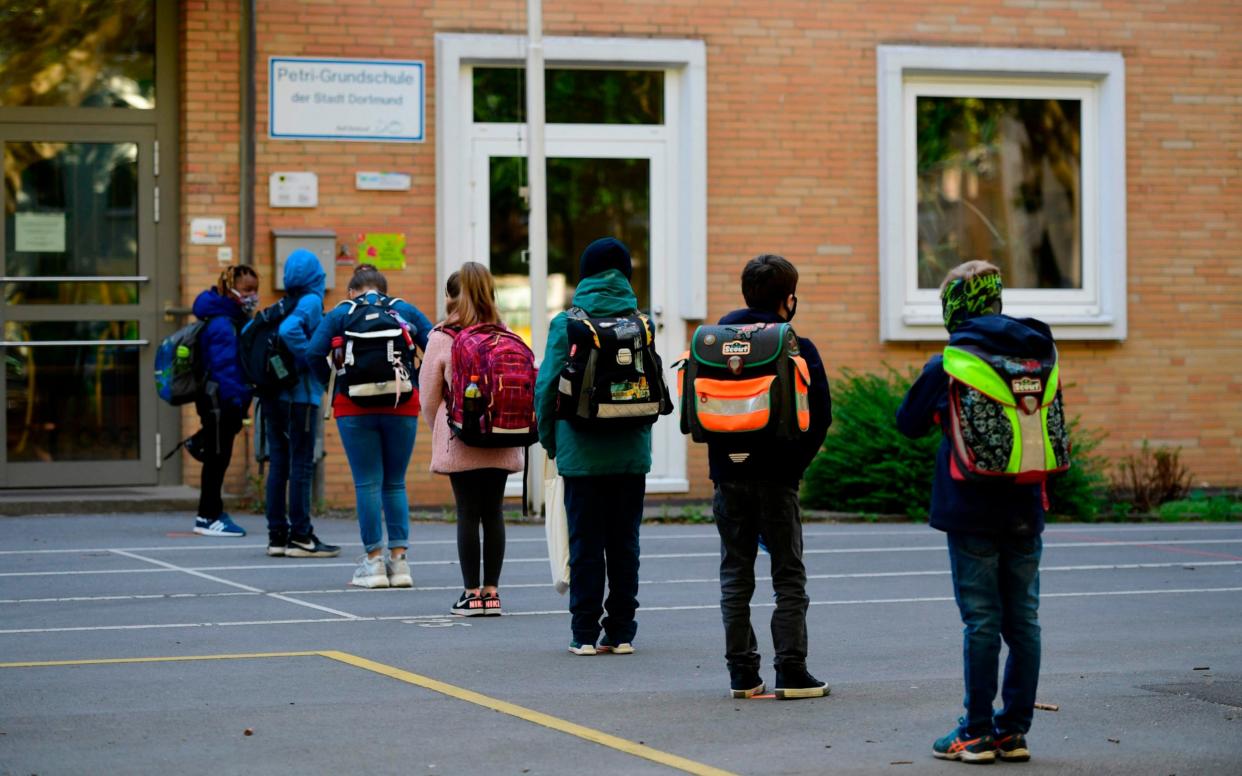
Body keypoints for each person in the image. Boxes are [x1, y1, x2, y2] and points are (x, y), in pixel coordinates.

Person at [897, 260, 1049, 764]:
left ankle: (976, 731)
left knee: (981, 621)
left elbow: (909, 422)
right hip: (1027, 504)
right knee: (1023, 621)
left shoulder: (952, 362)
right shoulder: (1038, 354)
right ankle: (1014, 731)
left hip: (970, 509)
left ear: (953, 307)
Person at [707, 254, 833, 699]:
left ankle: (742, 675)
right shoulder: (796, 344)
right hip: (777, 478)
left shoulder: (715, 343)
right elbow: (820, 417)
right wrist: (793, 467)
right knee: (788, 575)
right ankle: (792, 671)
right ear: (789, 298)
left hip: (728, 476)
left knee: (735, 575)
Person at [534, 237, 650, 656]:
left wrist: (552, 441)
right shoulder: (642, 322)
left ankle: (583, 633)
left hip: (580, 454)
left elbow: (546, 388)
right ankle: (620, 631)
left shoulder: (566, 324)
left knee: (584, 544)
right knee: (625, 544)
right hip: (631, 455)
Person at [308, 264, 433, 588]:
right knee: (395, 483)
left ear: (352, 291)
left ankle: (374, 563)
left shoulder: (341, 312)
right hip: (401, 403)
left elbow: (311, 353)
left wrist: (333, 387)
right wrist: (415, 383)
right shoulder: (400, 308)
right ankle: (400, 563)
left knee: (367, 483)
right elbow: (433, 344)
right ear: (383, 288)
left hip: (353, 406)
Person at [419, 262, 523, 615]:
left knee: (467, 511)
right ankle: (492, 593)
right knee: (493, 511)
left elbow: (429, 400)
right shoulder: (506, 333)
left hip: (462, 437)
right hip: (503, 435)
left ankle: (470, 594)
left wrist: (445, 429)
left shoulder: (441, 337)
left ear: (450, 298)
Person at [260, 249, 339, 559]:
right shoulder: (310, 301)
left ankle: (277, 535)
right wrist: (311, 358)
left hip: (274, 397)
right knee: (302, 465)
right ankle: (302, 536)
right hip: (299, 398)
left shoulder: (284, 302)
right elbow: (289, 331)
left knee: (279, 463)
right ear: (314, 276)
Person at [188, 265, 259, 537]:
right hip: (220, 400)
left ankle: (198, 441)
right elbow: (226, 369)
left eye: (255, 290)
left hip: (221, 399)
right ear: (229, 290)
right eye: (246, 290)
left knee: (219, 456)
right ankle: (207, 516)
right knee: (217, 460)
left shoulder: (231, 318)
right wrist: (237, 402)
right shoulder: (222, 324)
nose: (252, 295)